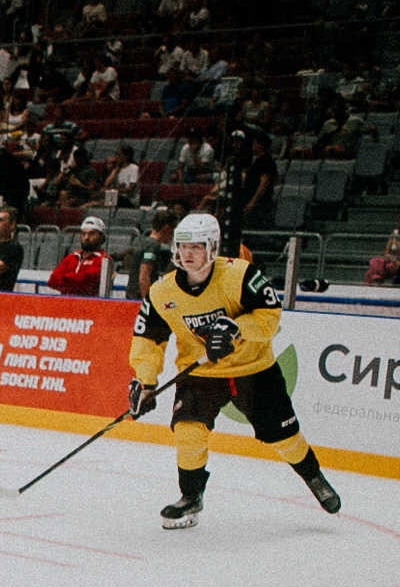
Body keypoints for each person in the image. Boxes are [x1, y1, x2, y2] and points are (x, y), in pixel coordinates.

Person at [127, 212, 339, 529]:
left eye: (196, 246)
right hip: (199, 374)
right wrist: (145, 382)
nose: (187, 254)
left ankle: (313, 476)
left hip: (253, 369)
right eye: (183, 246)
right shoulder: (162, 292)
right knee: (188, 431)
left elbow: (269, 316)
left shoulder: (240, 275)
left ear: (213, 247)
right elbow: (148, 340)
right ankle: (191, 496)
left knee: (284, 436)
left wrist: (236, 329)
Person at [46, 216, 112, 295]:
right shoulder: (71, 257)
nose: (86, 237)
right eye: (84, 233)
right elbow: (52, 280)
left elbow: (85, 281)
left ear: (101, 236)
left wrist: (64, 277)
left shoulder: (104, 259)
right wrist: (75, 281)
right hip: (66, 304)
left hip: (90, 305)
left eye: (91, 233)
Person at [129, 211, 175, 301]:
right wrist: (148, 302)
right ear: (167, 228)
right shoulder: (153, 246)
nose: (172, 236)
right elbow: (144, 276)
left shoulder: (143, 241)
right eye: (172, 231)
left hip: (132, 296)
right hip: (140, 298)